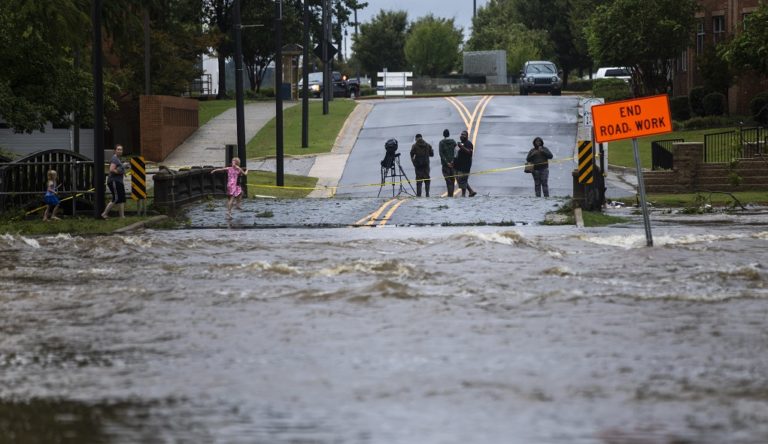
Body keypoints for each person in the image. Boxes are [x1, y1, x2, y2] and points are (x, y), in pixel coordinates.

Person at [102, 144, 126, 219]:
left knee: (121, 199)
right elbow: (111, 169)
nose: (120, 151)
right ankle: (104, 214)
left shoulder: (118, 159)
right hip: (114, 181)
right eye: (118, 149)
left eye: (121, 149)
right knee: (116, 198)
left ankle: (122, 216)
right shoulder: (114, 158)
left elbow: (119, 169)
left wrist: (123, 167)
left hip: (119, 181)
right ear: (115, 151)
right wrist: (122, 167)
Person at [454, 130, 477, 197]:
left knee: (463, 180)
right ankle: (470, 192)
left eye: (463, 134)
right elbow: (456, 154)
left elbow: (470, 153)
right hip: (458, 166)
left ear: (467, 136)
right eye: (461, 134)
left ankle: (464, 194)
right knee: (461, 180)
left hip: (465, 166)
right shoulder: (459, 144)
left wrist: (462, 147)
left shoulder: (469, 144)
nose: (462, 135)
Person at [438, 129, 457, 197]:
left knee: (448, 180)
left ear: (443, 135)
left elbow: (441, 154)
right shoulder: (453, 142)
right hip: (453, 164)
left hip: (445, 165)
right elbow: (456, 151)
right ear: (449, 134)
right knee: (452, 180)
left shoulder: (441, 143)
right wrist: (453, 161)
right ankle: (451, 194)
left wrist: (446, 162)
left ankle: (450, 195)